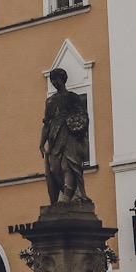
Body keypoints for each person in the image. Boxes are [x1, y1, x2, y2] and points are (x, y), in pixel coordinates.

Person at [40, 68, 90, 206]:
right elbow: (46, 123)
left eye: (56, 79)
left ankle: (68, 194)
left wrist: (75, 127)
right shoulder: (50, 101)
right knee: (53, 169)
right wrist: (41, 143)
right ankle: (70, 193)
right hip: (54, 136)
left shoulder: (72, 98)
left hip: (68, 135)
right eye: (52, 80)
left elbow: (83, 116)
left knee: (67, 165)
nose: (54, 82)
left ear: (63, 79)